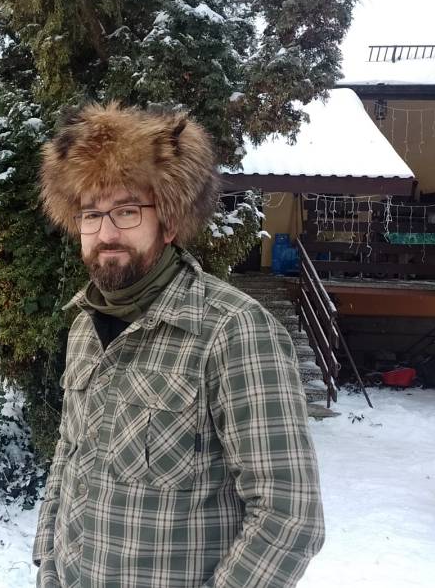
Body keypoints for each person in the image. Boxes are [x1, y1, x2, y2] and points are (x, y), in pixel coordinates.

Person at [32, 103, 325, 588]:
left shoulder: (235, 331)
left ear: (168, 222)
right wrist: (47, 561)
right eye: (91, 214)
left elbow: (288, 515)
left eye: (127, 211)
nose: (106, 233)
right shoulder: (85, 325)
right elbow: (69, 454)